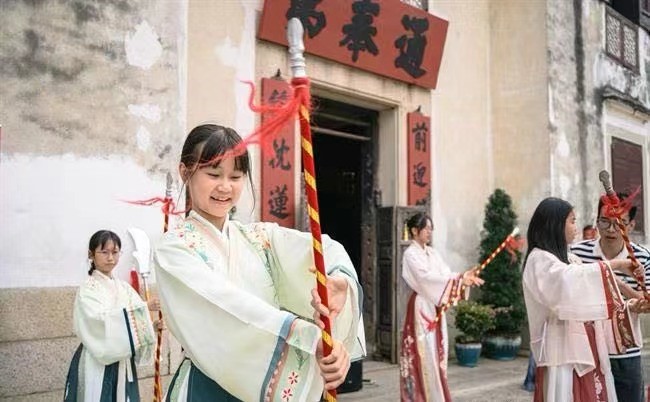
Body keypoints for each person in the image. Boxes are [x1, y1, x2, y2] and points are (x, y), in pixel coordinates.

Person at [153, 124, 365, 401]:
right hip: (207, 389)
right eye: (213, 174)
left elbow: (320, 249)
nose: (225, 187)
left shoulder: (259, 238)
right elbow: (230, 311)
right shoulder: (174, 249)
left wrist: (338, 285)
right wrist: (311, 342)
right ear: (185, 172)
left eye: (236, 176)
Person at [522, 197, 643, 401]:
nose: (576, 227)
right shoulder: (539, 259)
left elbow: (593, 300)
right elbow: (569, 282)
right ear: (555, 224)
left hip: (590, 349)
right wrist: (618, 265)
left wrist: (630, 307)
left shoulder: (571, 259)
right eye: (572, 221)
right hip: (562, 356)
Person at [571, 193, 650, 402]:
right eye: (604, 222)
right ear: (597, 221)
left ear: (631, 226)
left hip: (626, 350)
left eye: (619, 223)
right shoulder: (578, 253)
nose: (611, 229)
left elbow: (647, 302)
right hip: (588, 351)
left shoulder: (641, 257)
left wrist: (617, 282)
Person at [399, 212, 484, 401]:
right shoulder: (410, 254)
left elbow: (445, 274)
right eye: (426, 228)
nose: (429, 232)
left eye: (431, 228)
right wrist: (458, 281)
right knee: (423, 354)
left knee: (437, 353)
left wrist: (462, 278)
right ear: (414, 230)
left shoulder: (433, 253)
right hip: (421, 307)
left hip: (435, 305)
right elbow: (426, 279)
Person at [64, 230, 157, 401]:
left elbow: (137, 319)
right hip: (96, 362)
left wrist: (151, 326)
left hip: (123, 362)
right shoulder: (88, 289)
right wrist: (145, 307)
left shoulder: (124, 288)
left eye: (115, 252)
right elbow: (99, 321)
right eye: (104, 252)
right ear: (91, 254)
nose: (110, 258)